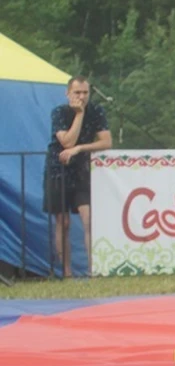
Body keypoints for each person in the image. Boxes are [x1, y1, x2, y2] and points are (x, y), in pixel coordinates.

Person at [42, 76, 112, 277]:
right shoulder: (59, 112)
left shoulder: (97, 111)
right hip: (58, 168)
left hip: (82, 167)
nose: (81, 97)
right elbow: (67, 142)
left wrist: (81, 148)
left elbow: (106, 142)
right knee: (62, 222)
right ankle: (67, 273)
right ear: (68, 93)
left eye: (85, 93)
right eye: (77, 93)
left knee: (88, 218)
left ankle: (93, 270)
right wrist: (79, 115)